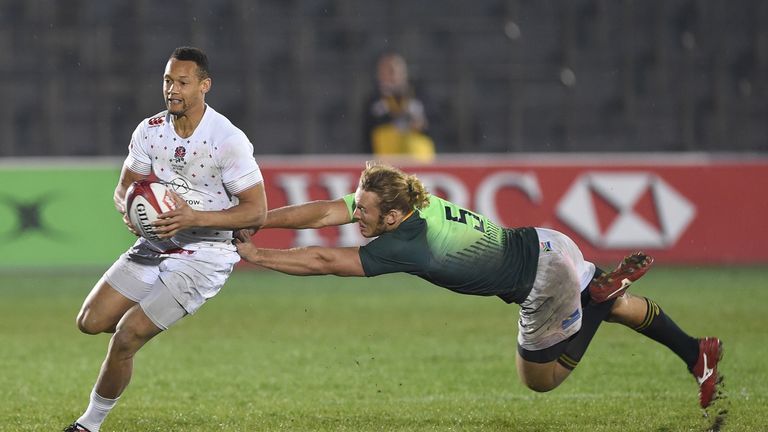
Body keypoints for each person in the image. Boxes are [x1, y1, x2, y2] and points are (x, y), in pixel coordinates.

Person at [234, 161, 723, 410]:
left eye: (362, 210)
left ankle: (595, 303)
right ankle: (695, 352)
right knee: (621, 306)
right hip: (550, 244)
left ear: (394, 215)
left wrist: (257, 255)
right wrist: (260, 219)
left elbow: (322, 259)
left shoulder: (406, 243)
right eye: (356, 204)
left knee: (540, 380)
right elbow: (324, 211)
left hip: (542, 282)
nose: (354, 214)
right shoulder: (403, 199)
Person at [63, 47, 267, 432]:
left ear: (204, 86)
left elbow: (256, 211)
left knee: (125, 338)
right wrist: (131, 211)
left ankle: (88, 425)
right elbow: (124, 187)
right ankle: (149, 317)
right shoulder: (150, 129)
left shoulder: (227, 139)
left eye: (183, 82)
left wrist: (194, 218)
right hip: (157, 242)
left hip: (206, 252)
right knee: (91, 322)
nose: (172, 89)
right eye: (167, 80)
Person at [362, 53, 435, 162]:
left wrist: (421, 124)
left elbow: (435, 124)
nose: (392, 76)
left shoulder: (420, 95)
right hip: (386, 163)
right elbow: (366, 132)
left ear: (404, 72)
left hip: (419, 161)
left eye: (394, 71)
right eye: (386, 71)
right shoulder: (373, 100)